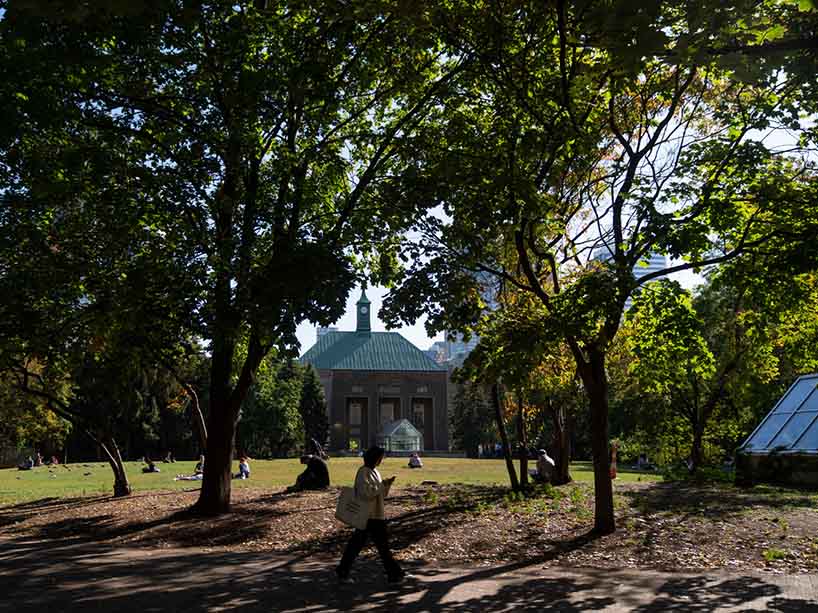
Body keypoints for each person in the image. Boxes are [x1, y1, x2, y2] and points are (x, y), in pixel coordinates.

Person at [336, 446, 405, 584]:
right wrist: (381, 485)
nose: (381, 460)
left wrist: (386, 485)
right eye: (380, 458)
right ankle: (394, 574)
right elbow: (365, 493)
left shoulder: (375, 472)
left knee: (358, 545)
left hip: (376, 514)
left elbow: (379, 495)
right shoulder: (363, 472)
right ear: (374, 457)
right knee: (380, 547)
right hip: (369, 516)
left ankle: (343, 570)